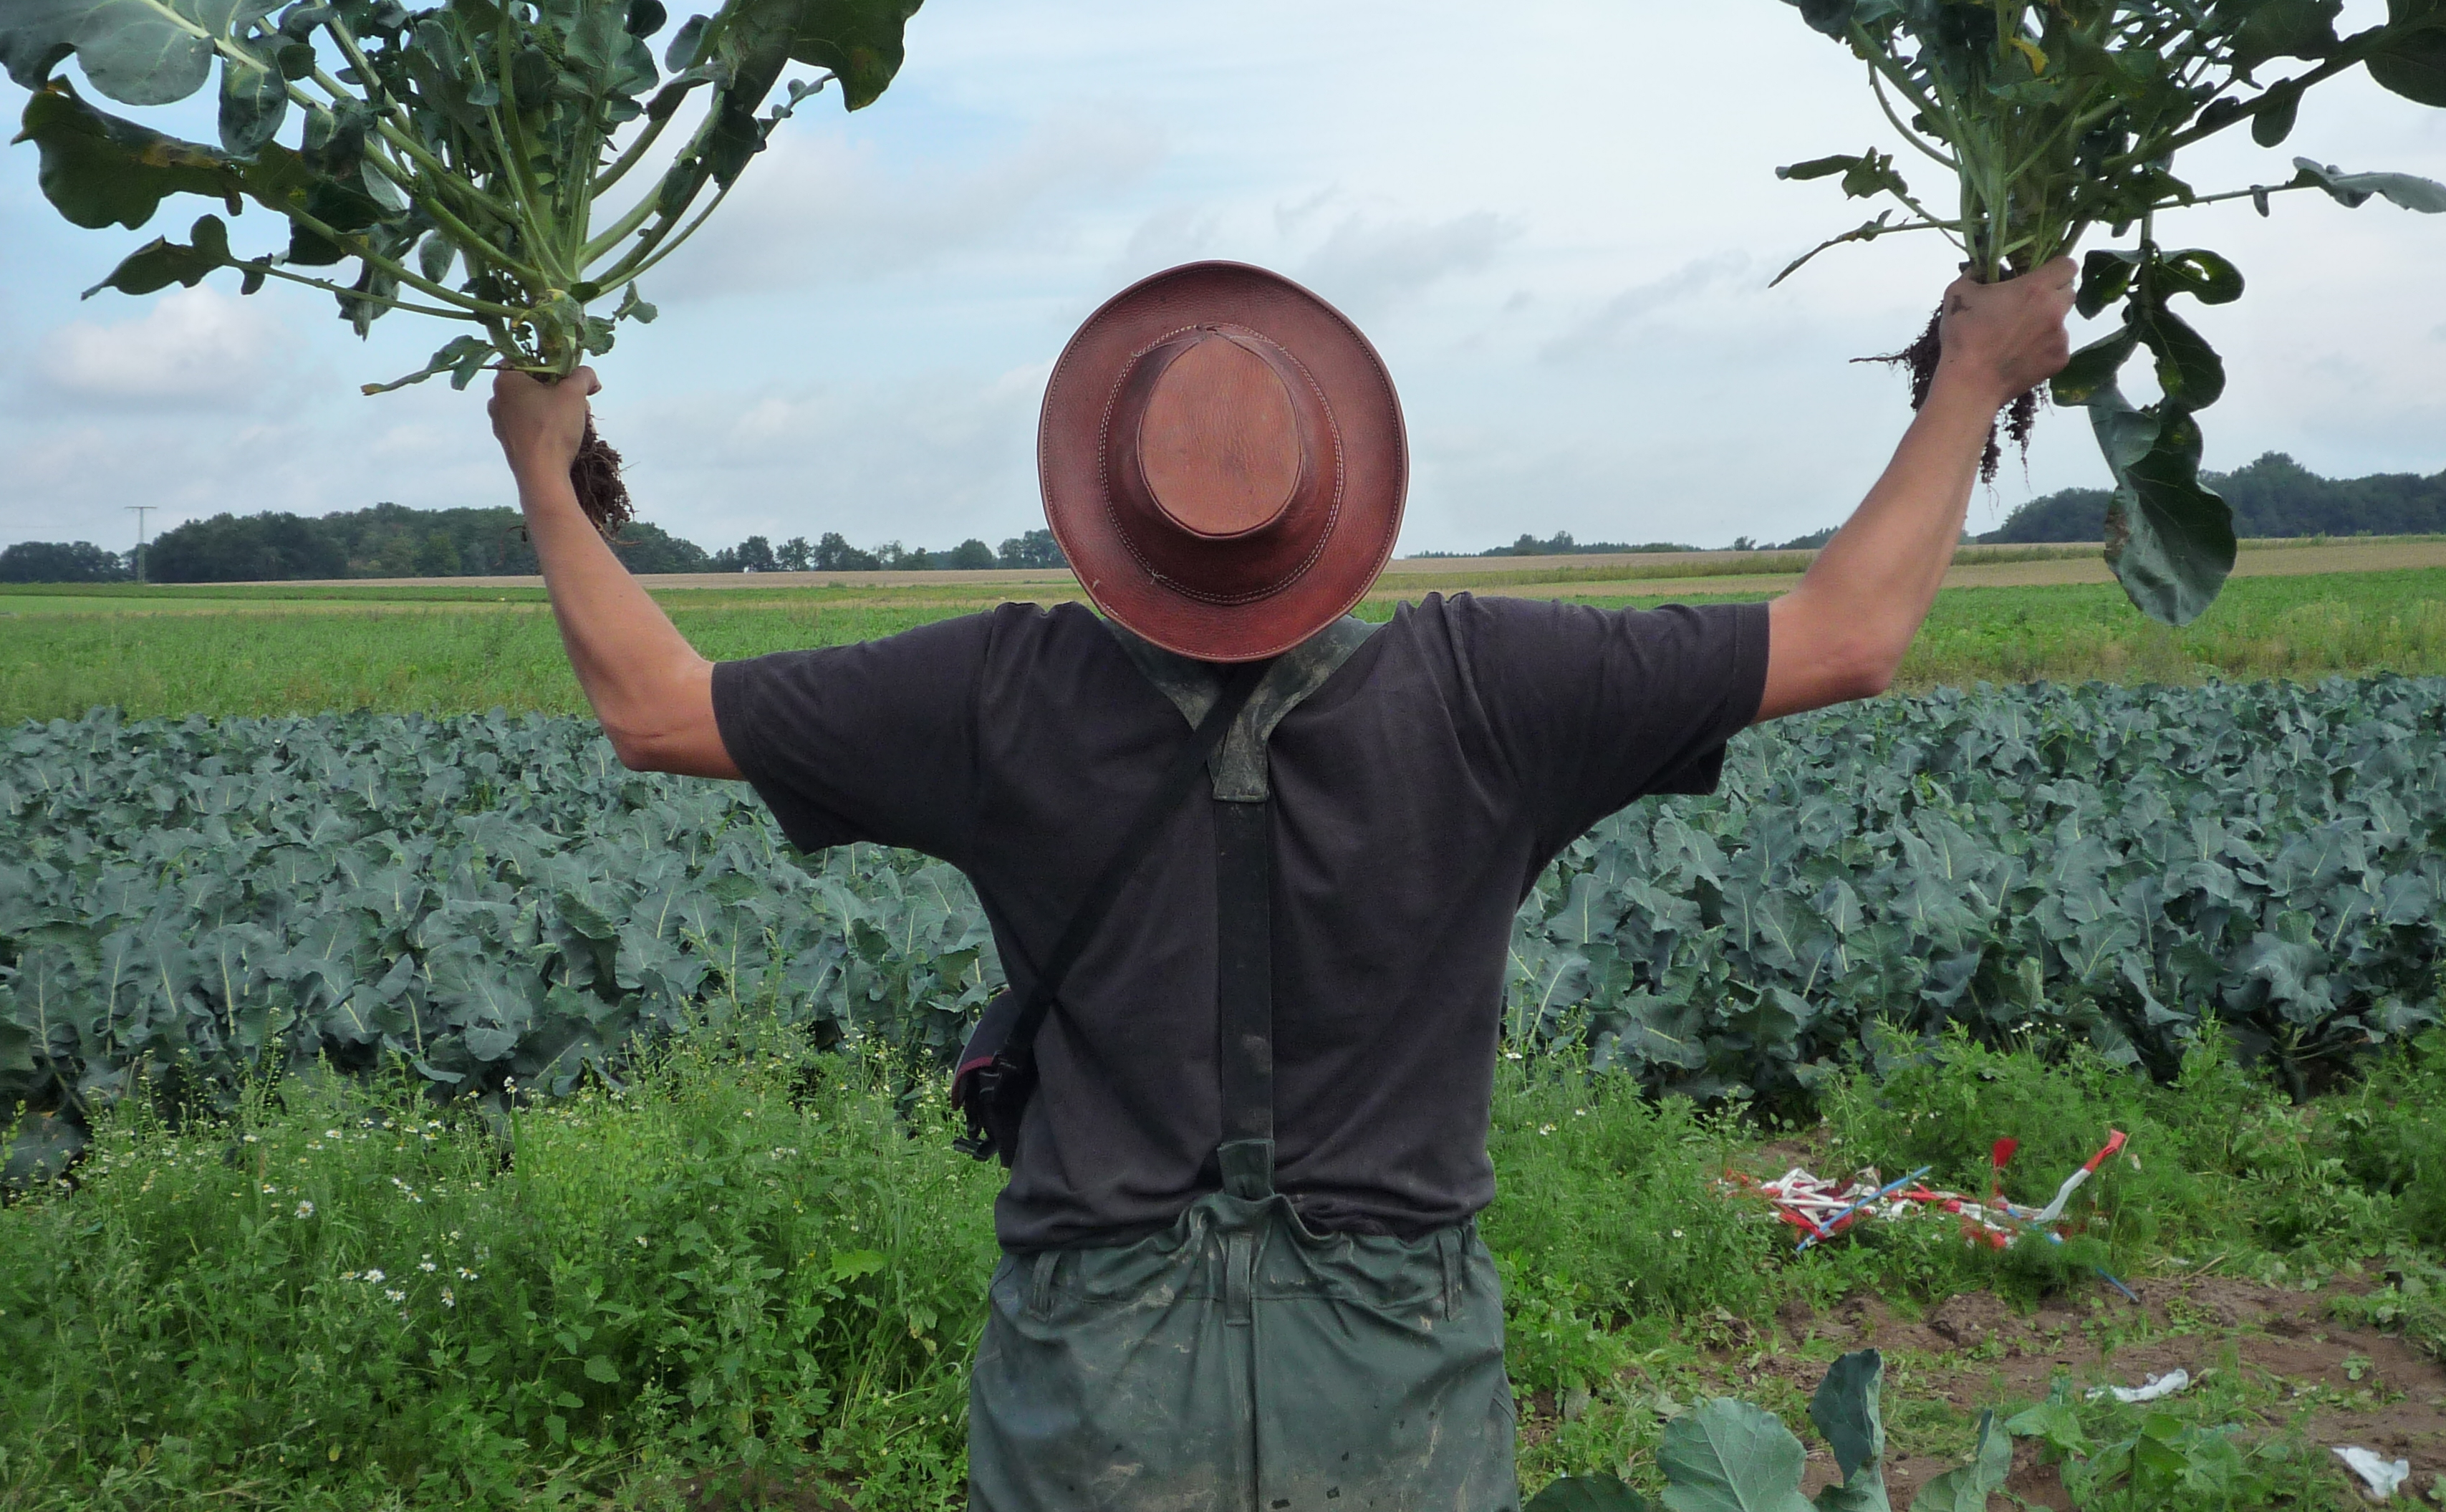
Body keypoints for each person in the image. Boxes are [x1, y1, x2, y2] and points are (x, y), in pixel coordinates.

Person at [488, 256, 2075, 1511]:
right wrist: (1973, 380)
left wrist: (548, 471)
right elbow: (1846, 635)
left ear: (1110, 510)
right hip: (1393, 1377)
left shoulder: (1001, 698)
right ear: (1341, 502)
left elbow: (657, 710)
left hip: (1096, 1384)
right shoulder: (1492, 689)